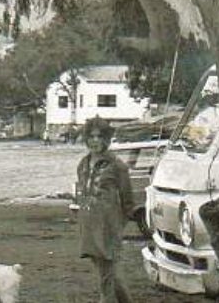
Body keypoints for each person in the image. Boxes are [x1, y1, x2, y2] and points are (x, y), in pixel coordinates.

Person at [77, 117, 135, 303]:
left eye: (99, 137)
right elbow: (81, 193)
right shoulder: (83, 164)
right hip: (88, 225)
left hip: (109, 228)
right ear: (86, 138)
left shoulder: (117, 165)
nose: (95, 140)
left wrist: (118, 225)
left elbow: (128, 202)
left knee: (107, 276)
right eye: (91, 136)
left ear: (107, 139)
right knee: (110, 274)